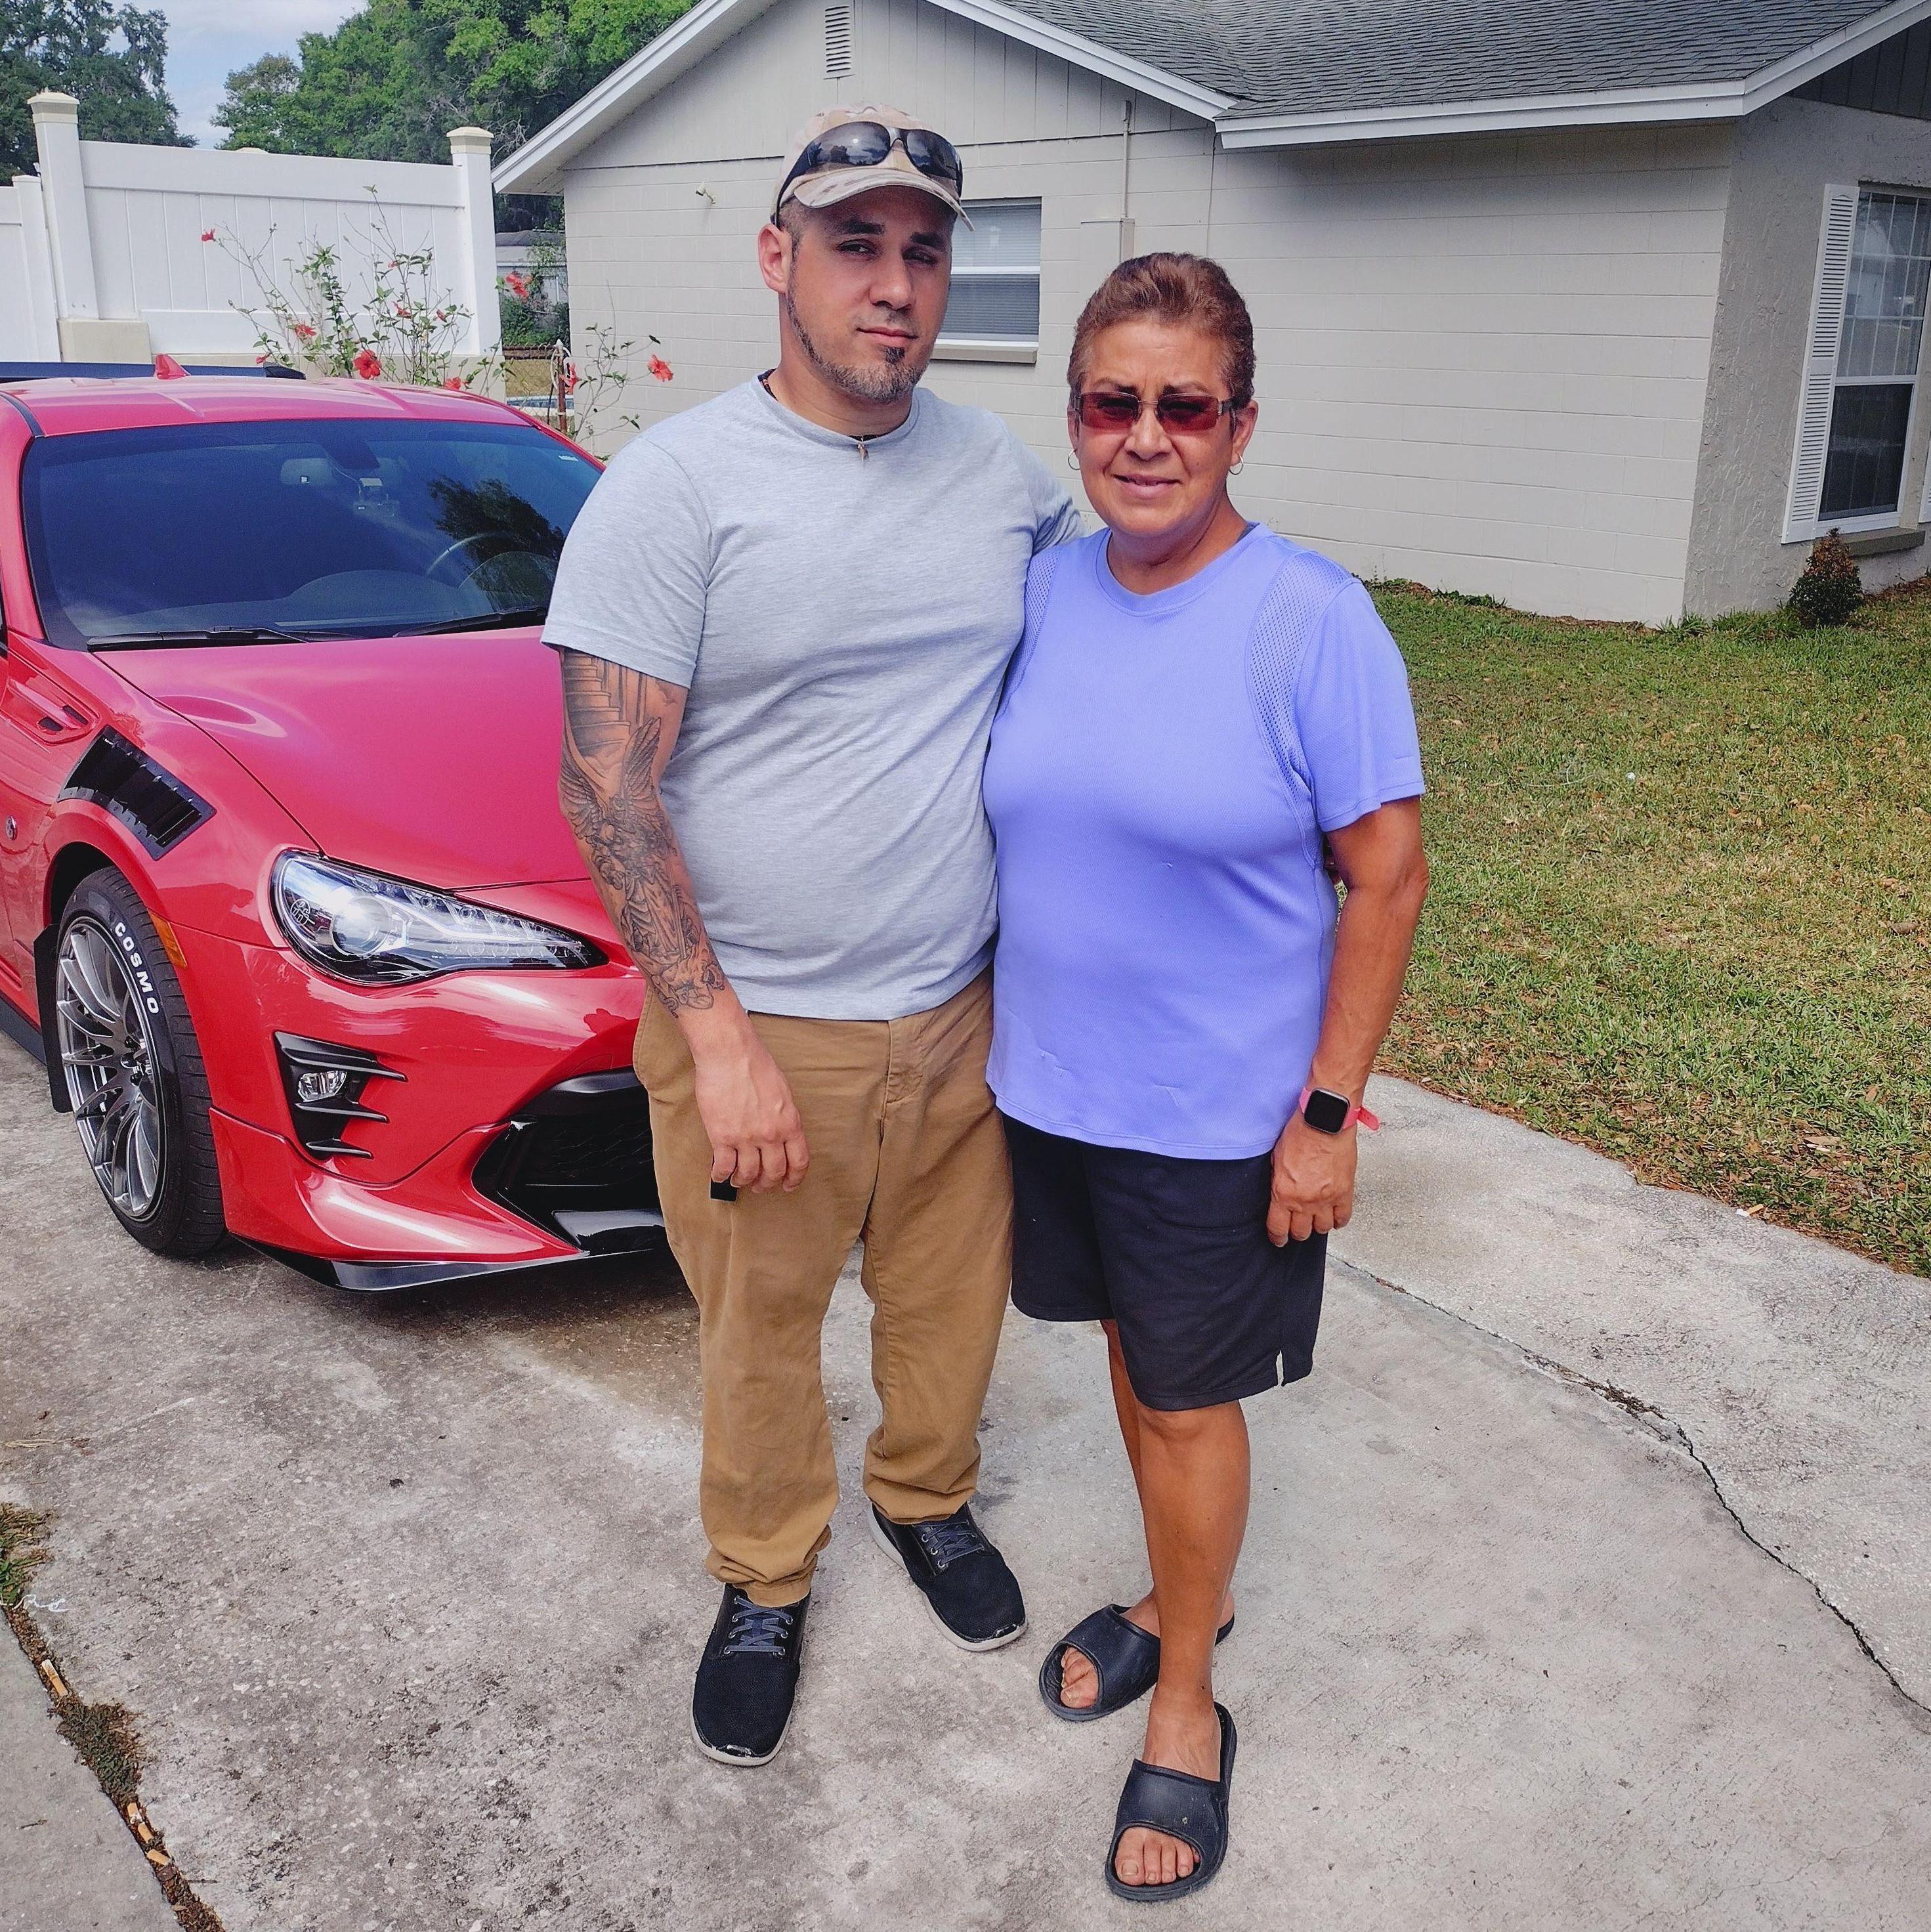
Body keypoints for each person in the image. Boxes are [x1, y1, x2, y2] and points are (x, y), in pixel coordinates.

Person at [543, 106, 1082, 1768]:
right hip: (762, 1026)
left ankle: (927, 1497)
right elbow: (605, 785)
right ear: (778, 259)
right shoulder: (676, 487)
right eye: (856, 245)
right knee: (758, 1335)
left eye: (925, 251)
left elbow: (1107, 666)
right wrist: (717, 1039)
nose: (897, 286)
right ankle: (765, 1575)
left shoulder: (1002, 479)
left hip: (961, 1012)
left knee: (948, 1306)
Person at [983, 253, 1429, 1900]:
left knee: (1185, 1397)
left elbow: (1386, 877)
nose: (1146, 437)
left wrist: (1322, 1115)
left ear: (1239, 423)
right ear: (1079, 414)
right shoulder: (1045, 586)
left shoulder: (1309, 618)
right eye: (1115, 401)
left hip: (1216, 1116)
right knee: (1130, 1361)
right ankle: (1184, 1590)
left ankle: (1187, 1696)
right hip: (1054, 1089)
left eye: (1186, 405)